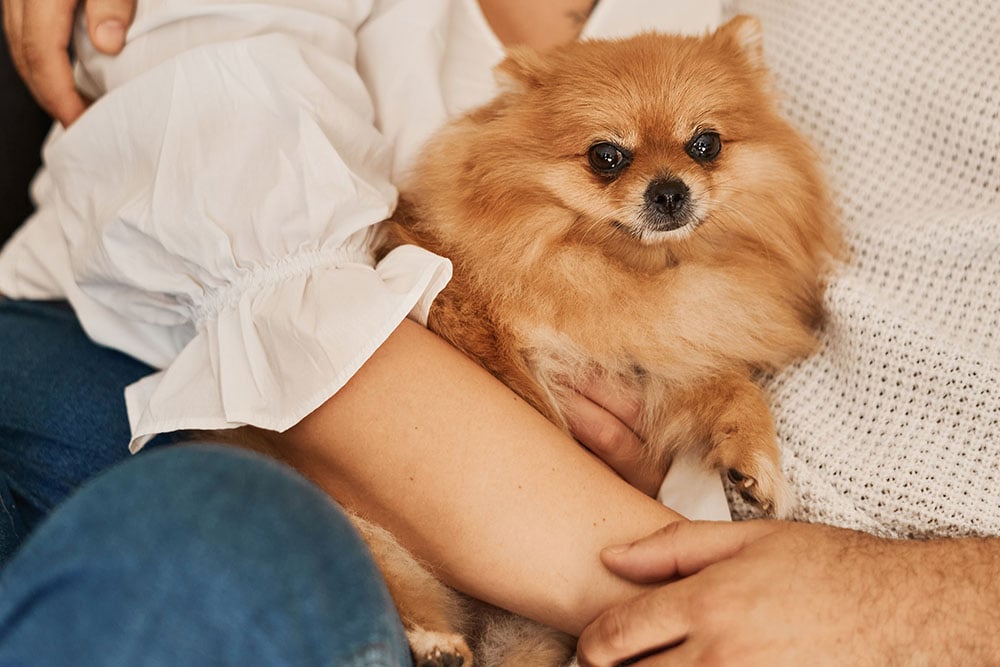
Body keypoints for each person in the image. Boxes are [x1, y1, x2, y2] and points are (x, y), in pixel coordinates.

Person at [1, 0, 998, 664]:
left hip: (453, 539)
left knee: (202, 549)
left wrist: (874, 607)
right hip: (120, 378)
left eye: (695, 150)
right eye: (608, 158)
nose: (663, 176)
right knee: (205, 534)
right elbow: (251, 260)